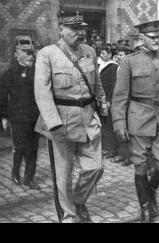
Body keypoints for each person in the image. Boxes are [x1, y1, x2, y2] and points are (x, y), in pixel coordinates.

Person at [34, 11, 108, 223]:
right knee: (63, 178)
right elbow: (42, 92)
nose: (80, 32)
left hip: (88, 118)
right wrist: (53, 123)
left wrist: (102, 102)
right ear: (61, 29)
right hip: (62, 121)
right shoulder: (47, 54)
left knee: (96, 167)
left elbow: (97, 83)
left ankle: (77, 201)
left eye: (82, 28)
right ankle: (68, 218)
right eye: (74, 29)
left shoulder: (89, 52)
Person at [111, 20, 159, 223]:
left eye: (158, 36)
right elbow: (119, 96)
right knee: (140, 165)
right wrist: (119, 123)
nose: (157, 40)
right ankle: (145, 208)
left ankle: (150, 192)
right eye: (152, 37)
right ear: (141, 38)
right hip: (139, 118)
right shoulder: (129, 62)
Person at [0, 41, 41, 190]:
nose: (31, 56)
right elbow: (2, 97)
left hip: (34, 117)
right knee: (20, 147)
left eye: (32, 53)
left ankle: (29, 178)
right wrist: (4, 117)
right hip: (18, 118)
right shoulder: (9, 74)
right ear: (17, 54)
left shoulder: (38, 72)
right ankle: (15, 172)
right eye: (27, 53)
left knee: (33, 148)